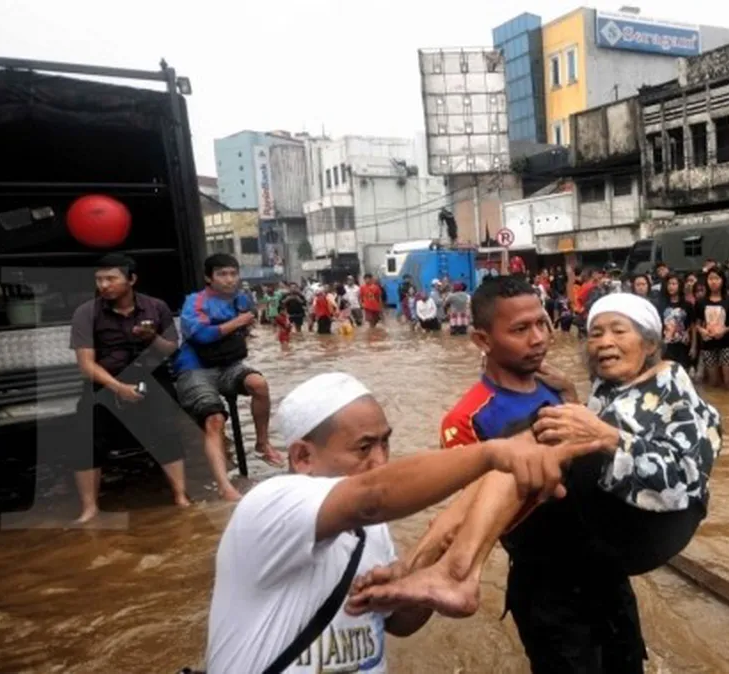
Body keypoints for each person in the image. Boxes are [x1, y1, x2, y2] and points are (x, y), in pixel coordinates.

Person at [347, 289, 722, 674]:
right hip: (549, 587)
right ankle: (428, 569)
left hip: (606, 576)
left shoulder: (562, 394)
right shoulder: (468, 417)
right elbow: (482, 518)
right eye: (521, 329)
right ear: (482, 340)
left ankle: (438, 571)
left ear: (649, 343)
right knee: (519, 447)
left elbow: (615, 460)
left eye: (542, 324)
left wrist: (578, 421)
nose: (539, 338)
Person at [206, 371, 603, 674]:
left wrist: (423, 588)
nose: (381, 460)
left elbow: (397, 625)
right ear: (302, 457)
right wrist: (492, 454)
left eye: (385, 442)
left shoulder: (371, 531)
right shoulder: (269, 507)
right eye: (364, 447)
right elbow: (374, 494)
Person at [68, 254, 188, 523]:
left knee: (167, 430)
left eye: (111, 278)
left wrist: (152, 337)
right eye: (99, 279)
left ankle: (180, 496)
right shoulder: (86, 313)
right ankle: (90, 508)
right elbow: (86, 365)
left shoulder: (156, 308)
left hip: (151, 376)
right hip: (105, 379)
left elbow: (170, 349)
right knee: (86, 436)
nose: (104, 285)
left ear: (131, 280)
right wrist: (118, 387)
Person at [174, 253, 284, 501]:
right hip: (195, 369)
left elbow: (247, 327)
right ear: (208, 278)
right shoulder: (196, 301)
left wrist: (242, 323)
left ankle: (262, 443)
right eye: (222, 274)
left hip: (229, 365)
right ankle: (225, 485)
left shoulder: (241, 299)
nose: (229, 279)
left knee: (259, 384)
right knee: (214, 419)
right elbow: (200, 335)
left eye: (233, 274)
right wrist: (237, 322)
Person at [696, 267, 729, 389]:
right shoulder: (701, 302)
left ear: (722, 280)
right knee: (713, 382)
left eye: (716, 278)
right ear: (707, 281)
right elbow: (697, 323)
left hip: (727, 344)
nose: (713, 282)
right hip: (708, 345)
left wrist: (725, 330)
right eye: (710, 278)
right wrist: (702, 331)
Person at [658, 275, 695, 369]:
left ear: (680, 286)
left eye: (674, 284)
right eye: (669, 284)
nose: (671, 286)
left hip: (683, 346)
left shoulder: (687, 305)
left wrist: (694, 346)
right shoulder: (661, 305)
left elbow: (693, 325)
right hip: (666, 346)